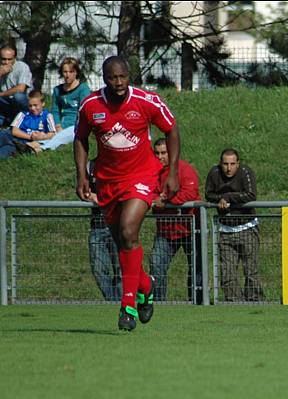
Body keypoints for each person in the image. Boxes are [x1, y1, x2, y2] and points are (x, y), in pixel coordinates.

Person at [74, 55, 180, 331]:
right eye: (112, 78)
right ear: (104, 78)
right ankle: (147, 285)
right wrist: (82, 175)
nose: (118, 83)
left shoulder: (147, 101)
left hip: (141, 176)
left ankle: (127, 306)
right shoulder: (90, 105)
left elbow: (171, 129)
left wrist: (172, 173)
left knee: (129, 231)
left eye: (122, 77)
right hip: (108, 182)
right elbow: (80, 138)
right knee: (123, 242)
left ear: (128, 75)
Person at [205, 148, 264, 302]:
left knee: (251, 270)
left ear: (238, 164)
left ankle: (255, 301)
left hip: (247, 227)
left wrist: (227, 198)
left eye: (232, 164)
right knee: (227, 272)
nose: (229, 168)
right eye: (225, 164)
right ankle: (234, 302)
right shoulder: (214, 173)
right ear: (220, 163)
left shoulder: (245, 173)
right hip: (225, 230)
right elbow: (208, 194)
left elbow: (251, 195)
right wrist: (219, 200)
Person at [150, 138, 202, 303]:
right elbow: (147, 193)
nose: (160, 157)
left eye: (163, 153)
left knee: (196, 267)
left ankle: (198, 302)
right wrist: (157, 200)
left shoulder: (185, 169)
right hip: (166, 230)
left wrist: (165, 200)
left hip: (190, 228)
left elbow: (190, 192)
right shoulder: (152, 172)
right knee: (156, 263)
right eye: (157, 153)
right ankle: (159, 303)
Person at [37, 57, 92, 151]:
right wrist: (57, 125)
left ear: (76, 72)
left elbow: (84, 110)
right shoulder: (57, 90)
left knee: (64, 135)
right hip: (61, 124)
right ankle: (35, 145)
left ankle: (42, 147)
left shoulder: (83, 88)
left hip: (77, 125)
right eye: (65, 72)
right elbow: (55, 110)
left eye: (71, 72)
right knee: (54, 133)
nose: (67, 75)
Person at [87, 158, 122, 301]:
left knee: (121, 270)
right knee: (99, 269)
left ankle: (121, 302)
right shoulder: (90, 166)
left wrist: (103, 198)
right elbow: (84, 191)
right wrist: (90, 196)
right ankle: (113, 301)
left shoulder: (121, 165)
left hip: (118, 225)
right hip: (97, 226)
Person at [0, 90, 56, 159]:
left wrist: (42, 137)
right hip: (11, 136)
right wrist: (31, 137)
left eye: (35, 105)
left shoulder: (48, 116)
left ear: (43, 103)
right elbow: (14, 131)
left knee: (3, 153)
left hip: (22, 144)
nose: (32, 108)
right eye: (30, 106)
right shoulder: (23, 114)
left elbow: (52, 133)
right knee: (3, 135)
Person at [0, 43, 32, 127]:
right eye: (3, 59)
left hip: (23, 100)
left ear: (15, 58)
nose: (6, 62)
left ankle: (26, 119)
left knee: (18, 97)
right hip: (5, 101)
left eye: (9, 59)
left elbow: (21, 88)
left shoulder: (22, 67)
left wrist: (2, 94)